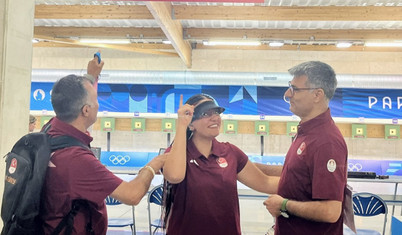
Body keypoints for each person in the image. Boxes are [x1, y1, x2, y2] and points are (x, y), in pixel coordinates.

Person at [39, 58, 188, 235]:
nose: (98, 104)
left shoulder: (49, 131)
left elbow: (72, 98)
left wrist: (91, 77)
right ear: (86, 110)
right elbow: (132, 194)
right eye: (95, 100)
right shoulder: (76, 159)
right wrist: (154, 164)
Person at [162, 93, 280, 235]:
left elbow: (265, 182)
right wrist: (181, 126)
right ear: (191, 124)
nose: (214, 117)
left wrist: (306, 183)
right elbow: (174, 176)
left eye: (216, 112)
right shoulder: (176, 153)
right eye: (206, 113)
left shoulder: (230, 152)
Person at [259, 61, 348, 235]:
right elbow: (293, 174)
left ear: (317, 94)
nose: (287, 94)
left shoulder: (326, 142)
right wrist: (241, 164)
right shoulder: (307, 133)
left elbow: (330, 211)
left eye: (295, 89)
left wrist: (283, 204)